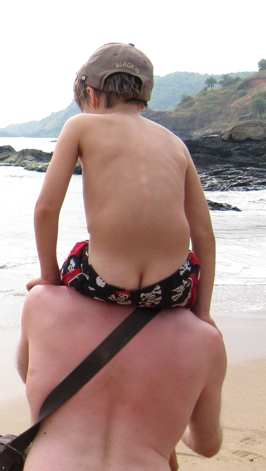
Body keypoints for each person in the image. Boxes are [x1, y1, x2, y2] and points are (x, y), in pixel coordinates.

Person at [0, 284, 226, 471]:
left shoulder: (42, 303)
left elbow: (30, 378)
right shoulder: (205, 339)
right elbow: (207, 445)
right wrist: (168, 428)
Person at [27, 43, 216, 327]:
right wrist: (203, 313)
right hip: (173, 288)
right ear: (145, 96)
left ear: (91, 95)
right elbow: (204, 233)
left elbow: (45, 210)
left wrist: (50, 276)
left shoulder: (79, 126)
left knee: (80, 253)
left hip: (105, 284)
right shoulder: (176, 143)